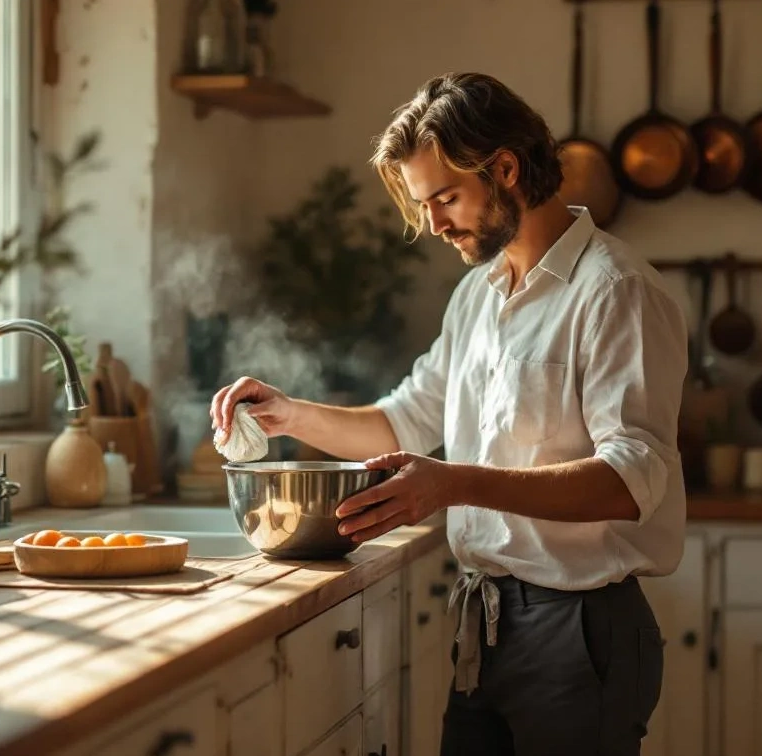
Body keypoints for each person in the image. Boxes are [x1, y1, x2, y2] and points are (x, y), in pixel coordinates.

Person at [210, 72, 687, 756]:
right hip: (486, 629)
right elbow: (404, 421)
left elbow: (631, 480)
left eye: (445, 198)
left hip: (581, 633)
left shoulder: (616, 293)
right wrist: (288, 414)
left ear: (506, 169)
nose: (432, 224)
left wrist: (455, 482)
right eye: (422, 203)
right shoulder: (476, 297)